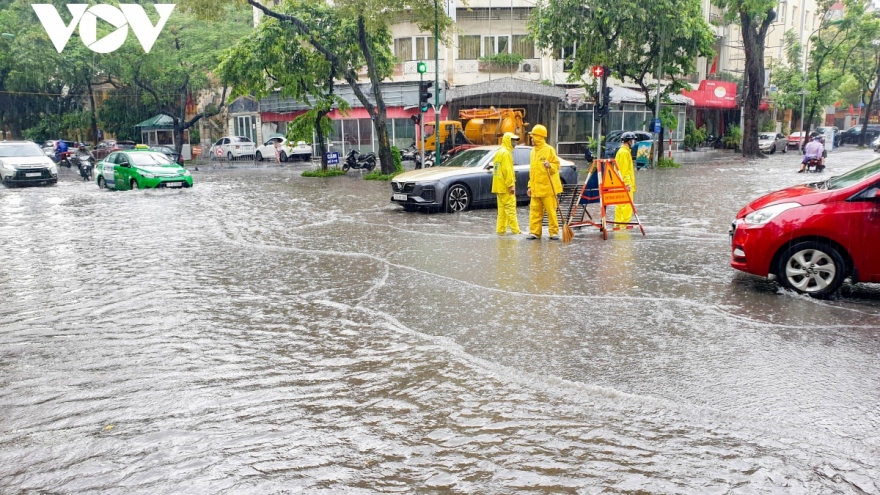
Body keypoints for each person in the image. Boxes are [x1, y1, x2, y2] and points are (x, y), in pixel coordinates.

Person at [526, 124, 562, 240]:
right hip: (536, 188)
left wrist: (549, 165)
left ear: (540, 137)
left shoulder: (549, 150)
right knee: (535, 211)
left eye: (533, 136)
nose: (531, 139)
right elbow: (533, 171)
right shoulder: (532, 152)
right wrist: (530, 186)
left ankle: (554, 232)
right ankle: (535, 232)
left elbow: (557, 166)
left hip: (548, 188)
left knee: (551, 211)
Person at [492, 132, 522, 235]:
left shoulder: (499, 152)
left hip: (498, 186)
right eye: (512, 140)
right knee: (510, 210)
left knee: (502, 212)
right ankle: (516, 231)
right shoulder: (506, 153)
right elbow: (507, 170)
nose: (514, 143)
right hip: (505, 187)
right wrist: (511, 185)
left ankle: (500, 231)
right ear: (508, 141)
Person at [613, 132, 637, 227]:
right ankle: (623, 228)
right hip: (625, 185)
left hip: (619, 184)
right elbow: (624, 170)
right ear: (629, 141)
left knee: (620, 206)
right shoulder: (624, 152)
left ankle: (618, 226)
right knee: (626, 207)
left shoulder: (622, 151)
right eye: (632, 140)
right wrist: (627, 184)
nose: (633, 142)